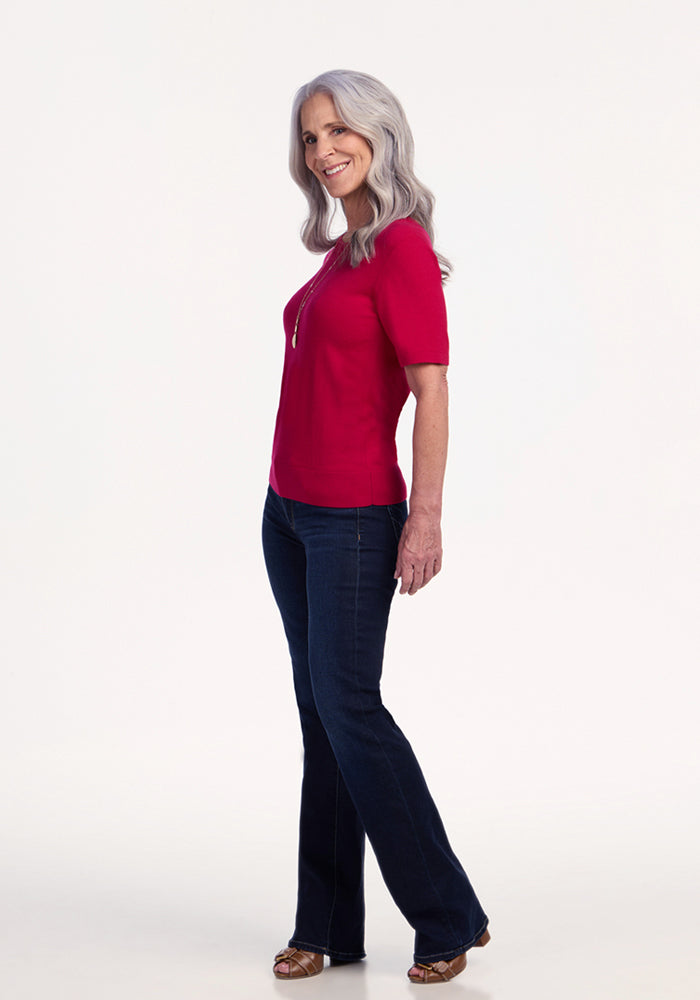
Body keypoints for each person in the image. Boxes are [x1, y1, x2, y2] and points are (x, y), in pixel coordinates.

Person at [261, 69, 490, 985]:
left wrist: (423, 520)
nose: (323, 151)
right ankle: (328, 925)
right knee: (323, 720)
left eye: (337, 130)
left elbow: (432, 386)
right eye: (310, 137)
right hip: (287, 514)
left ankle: (448, 914)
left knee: (352, 714)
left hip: (354, 520)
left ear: (379, 132)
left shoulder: (398, 249)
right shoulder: (343, 252)